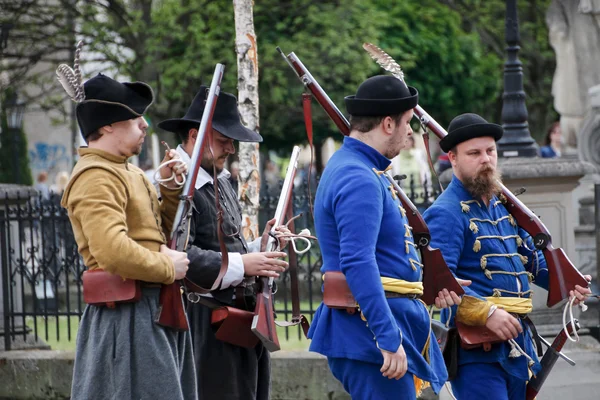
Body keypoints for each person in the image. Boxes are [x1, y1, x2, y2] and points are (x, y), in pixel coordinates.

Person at [307, 75, 457, 399]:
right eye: (407, 124)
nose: (410, 134)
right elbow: (357, 260)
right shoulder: (358, 175)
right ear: (388, 124)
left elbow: (388, 257)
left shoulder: (363, 168)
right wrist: (387, 338)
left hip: (376, 326)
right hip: (369, 332)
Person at [423, 113, 591, 400]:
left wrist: (567, 281)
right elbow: (438, 287)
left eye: (490, 151)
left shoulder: (504, 206)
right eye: (474, 153)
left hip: (518, 343)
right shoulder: (446, 212)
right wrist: (485, 313)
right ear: (453, 158)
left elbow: (532, 261)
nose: (486, 159)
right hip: (478, 353)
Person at [58, 71, 197, 399]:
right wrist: (168, 269)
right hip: (125, 314)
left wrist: (172, 189)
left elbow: (158, 235)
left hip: (152, 308)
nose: (145, 125)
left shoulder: (130, 172)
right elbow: (113, 251)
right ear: (107, 125)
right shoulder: (95, 176)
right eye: (136, 119)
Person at [158, 87, 290, 400]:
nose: (231, 148)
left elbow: (230, 246)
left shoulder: (216, 177)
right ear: (195, 134)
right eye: (223, 140)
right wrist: (245, 264)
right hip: (204, 321)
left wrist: (261, 246)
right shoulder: (175, 184)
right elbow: (178, 256)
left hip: (237, 318)